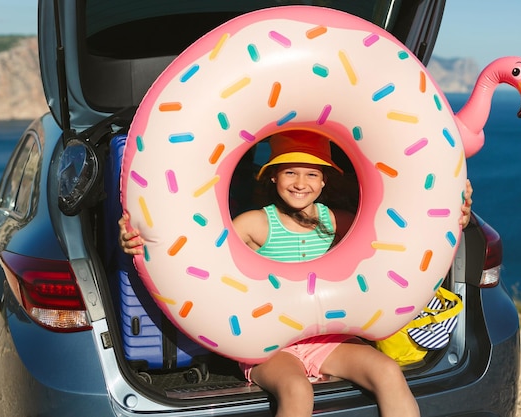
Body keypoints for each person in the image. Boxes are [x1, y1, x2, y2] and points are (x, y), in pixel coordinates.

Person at [119, 130, 473, 417]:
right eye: (290, 171)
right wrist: (137, 239)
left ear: (323, 182)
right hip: (269, 344)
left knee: (387, 372)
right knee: (296, 390)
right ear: (273, 176)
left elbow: (403, 236)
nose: (300, 182)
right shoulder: (256, 224)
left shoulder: (337, 222)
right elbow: (193, 249)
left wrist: (456, 211)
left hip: (327, 339)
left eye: (312, 174)